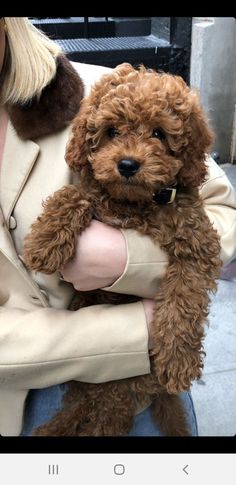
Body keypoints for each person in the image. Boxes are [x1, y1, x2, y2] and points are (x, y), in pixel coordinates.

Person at [0, 17, 235, 437]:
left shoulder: (95, 89)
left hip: (147, 370)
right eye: (113, 134)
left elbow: (222, 215)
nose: (129, 154)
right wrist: (137, 328)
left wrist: (126, 258)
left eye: (158, 137)